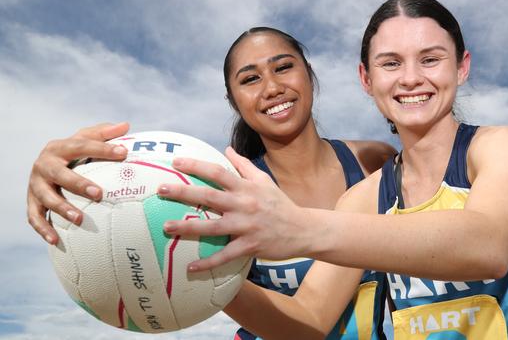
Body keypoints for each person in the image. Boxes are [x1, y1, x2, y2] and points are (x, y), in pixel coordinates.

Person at [156, 0, 508, 339]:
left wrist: (297, 228)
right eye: (390, 63)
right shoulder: (366, 196)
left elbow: (487, 246)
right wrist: (184, 272)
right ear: (366, 79)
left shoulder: (499, 147)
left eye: (430, 59)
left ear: (461, 66)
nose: (410, 78)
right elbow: (311, 319)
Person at [26, 27, 395, 339]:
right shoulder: (223, 192)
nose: (272, 87)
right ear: (233, 99)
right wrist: (63, 173)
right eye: (250, 79)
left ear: (309, 74)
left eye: (283, 67)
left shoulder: (373, 162)